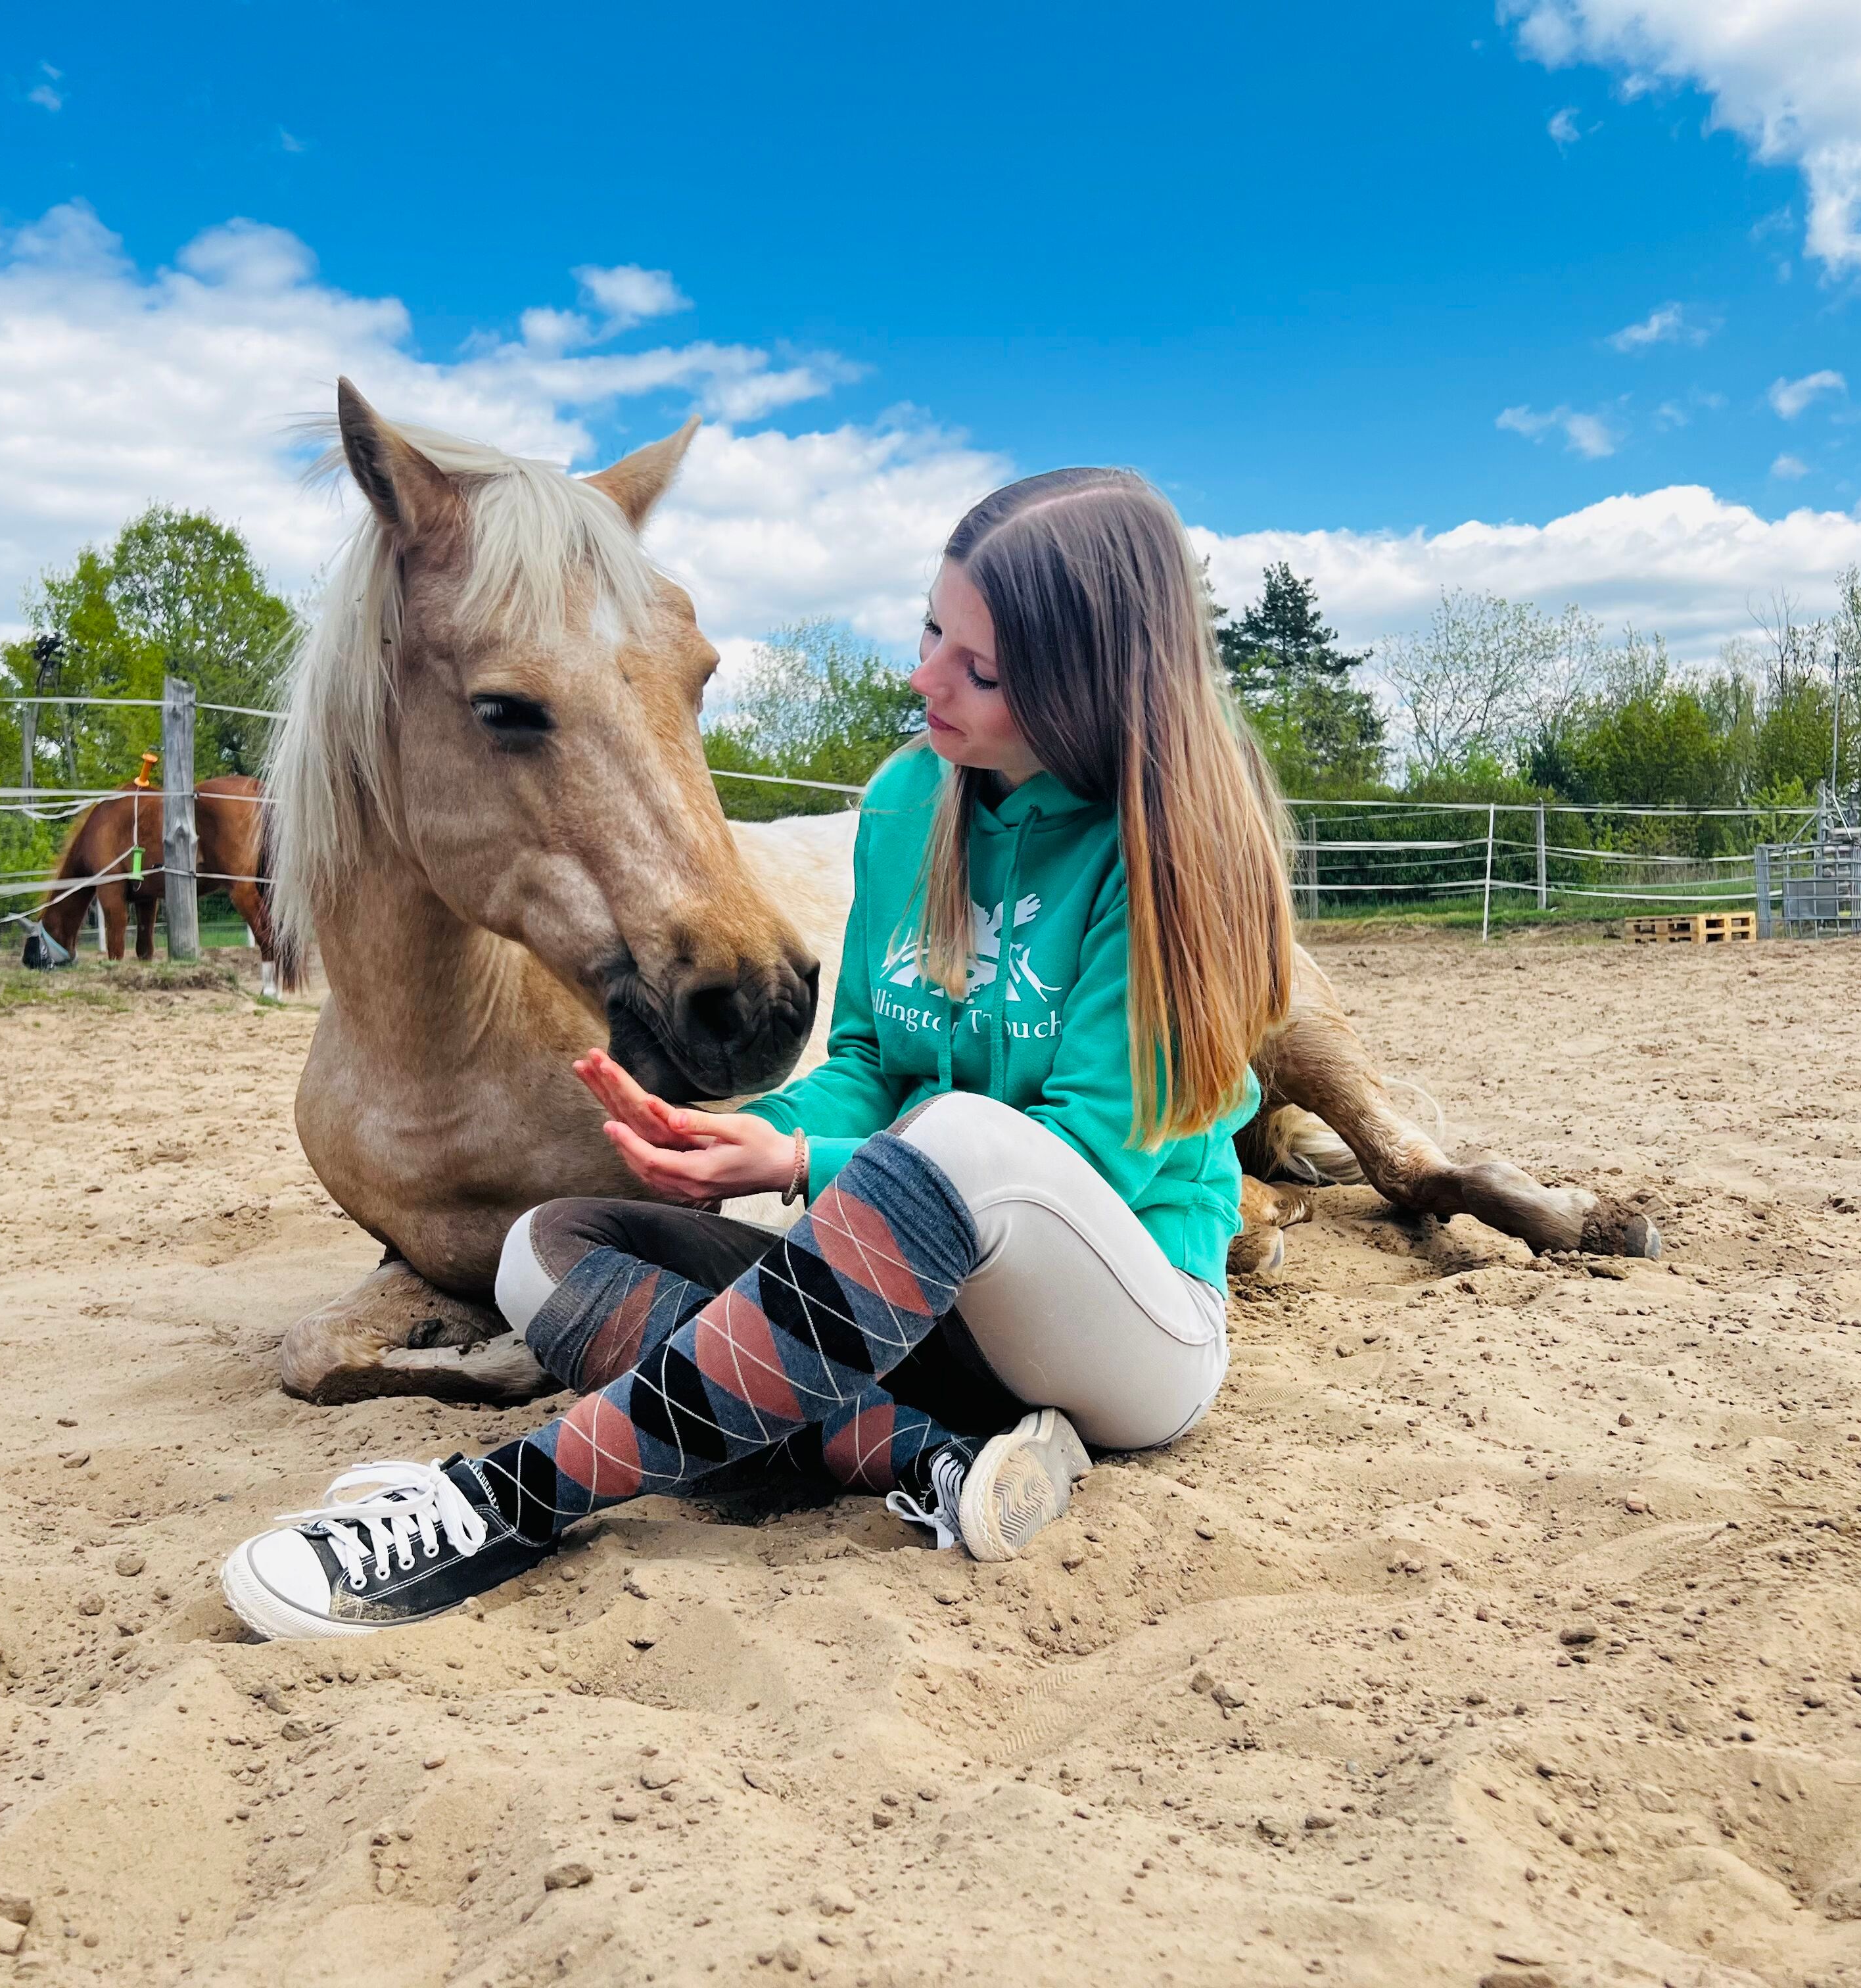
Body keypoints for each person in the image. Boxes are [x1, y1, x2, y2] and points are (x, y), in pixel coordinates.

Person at [222, 467, 1296, 1640]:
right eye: (933, 629)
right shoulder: (911, 803)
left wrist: (800, 1172)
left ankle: (507, 1501)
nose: (922, 677)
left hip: (1123, 1320)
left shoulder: (1168, 850)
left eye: (980, 671)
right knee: (544, 1251)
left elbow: (1090, 1158)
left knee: (965, 1138)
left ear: (1090, 688)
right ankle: (932, 1462)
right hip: (916, 1320)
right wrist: (760, 1132)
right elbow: (875, 1064)